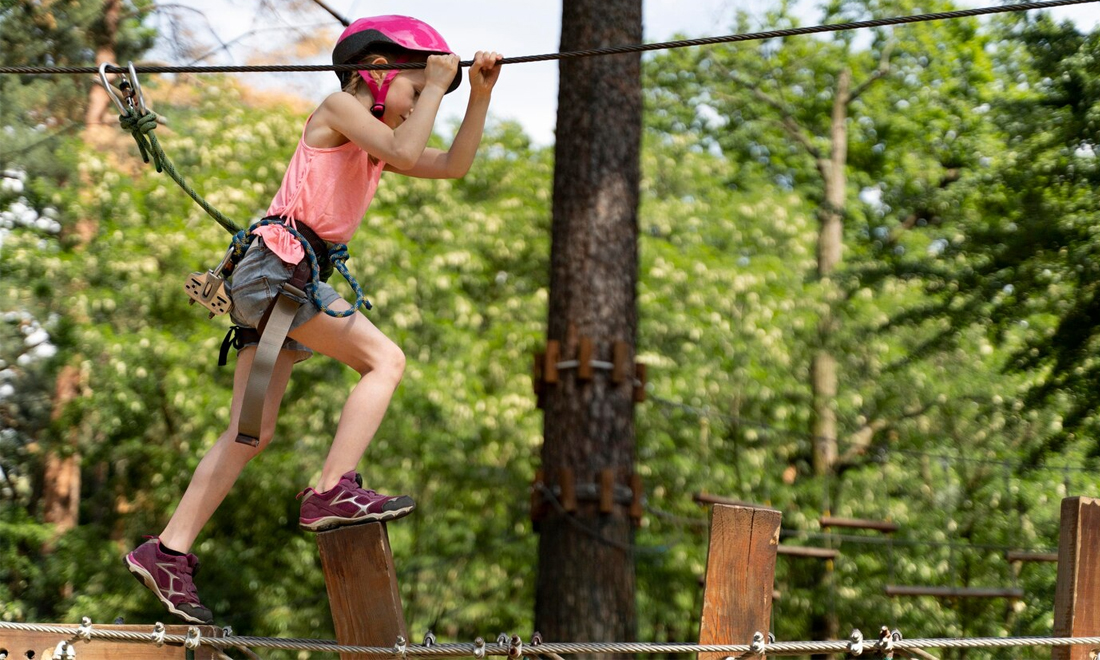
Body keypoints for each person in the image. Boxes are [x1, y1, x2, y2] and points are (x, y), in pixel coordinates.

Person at [122, 15, 503, 624]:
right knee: (385, 360)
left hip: (279, 278)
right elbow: (406, 145)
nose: (412, 109)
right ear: (374, 74)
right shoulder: (338, 108)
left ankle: (167, 549)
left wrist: (476, 95)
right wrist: (437, 84)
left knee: (251, 433)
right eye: (410, 93)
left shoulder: (375, 144)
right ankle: (331, 487)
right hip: (279, 270)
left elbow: (453, 164)